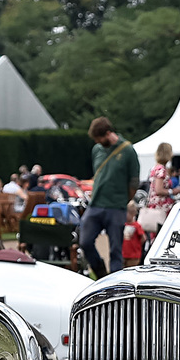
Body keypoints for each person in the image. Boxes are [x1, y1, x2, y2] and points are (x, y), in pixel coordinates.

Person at [78, 116, 140, 278]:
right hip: (96, 204)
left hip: (116, 207)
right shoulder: (97, 150)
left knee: (115, 250)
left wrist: (123, 200)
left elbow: (134, 182)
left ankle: (115, 284)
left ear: (107, 133)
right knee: (85, 241)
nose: (97, 142)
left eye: (99, 139)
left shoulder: (128, 151)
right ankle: (101, 274)